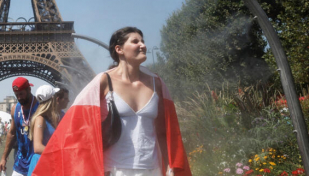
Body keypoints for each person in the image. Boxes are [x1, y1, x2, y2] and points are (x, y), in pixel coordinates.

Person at [30, 27, 191, 176]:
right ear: (119, 49)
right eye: (135, 41)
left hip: (151, 168)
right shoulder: (103, 81)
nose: (142, 45)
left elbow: (164, 131)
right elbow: (77, 124)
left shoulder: (157, 83)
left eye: (143, 41)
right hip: (114, 169)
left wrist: (170, 166)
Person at [0, 77, 39, 176]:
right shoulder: (15, 109)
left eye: (21, 94)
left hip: (37, 161)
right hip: (20, 163)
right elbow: (12, 134)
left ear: (29, 90)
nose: (19, 97)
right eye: (17, 95)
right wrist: (4, 158)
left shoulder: (40, 107)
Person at [27, 85, 61, 176]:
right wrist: (59, 152)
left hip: (46, 162)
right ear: (52, 99)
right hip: (41, 164)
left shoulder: (48, 118)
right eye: (55, 96)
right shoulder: (40, 119)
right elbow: (37, 147)